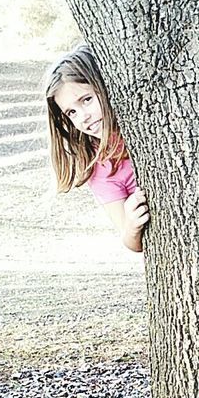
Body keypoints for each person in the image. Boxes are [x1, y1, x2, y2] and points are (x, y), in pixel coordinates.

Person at [44, 45, 150, 252]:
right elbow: (130, 242)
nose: (83, 116)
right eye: (71, 112)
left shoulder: (148, 122)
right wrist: (132, 225)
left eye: (87, 100)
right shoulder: (102, 167)